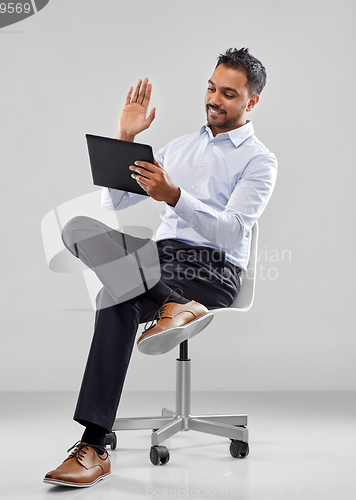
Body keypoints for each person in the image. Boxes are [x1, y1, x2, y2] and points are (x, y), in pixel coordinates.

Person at [44, 47, 277, 488]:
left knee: (114, 294)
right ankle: (175, 306)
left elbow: (232, 233)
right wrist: (126, 141)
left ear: (252, 102)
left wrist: (175, 196)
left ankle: (93, 446)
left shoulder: (260, 161)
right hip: (159, 257)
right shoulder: (177, 147)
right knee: (77, 225)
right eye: (211, 87)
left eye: (228, 93)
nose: (214, 99)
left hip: (212, 267)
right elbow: (115, 204)